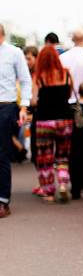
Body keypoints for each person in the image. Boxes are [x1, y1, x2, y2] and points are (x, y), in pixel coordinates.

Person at [31, 46, 73, 203]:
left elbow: (34, 100)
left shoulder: (38, 76)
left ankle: (48, 191)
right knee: (62, 156)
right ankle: (63, 184)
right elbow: (69, 94)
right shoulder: (66, 73)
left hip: (44, 121)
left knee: (45, 157)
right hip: (65, 120)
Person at [0, 23, 32, 217]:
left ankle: (3, 200)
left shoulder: (14, 53)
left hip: (6, 106)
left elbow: (25, 80)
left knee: (1, 152)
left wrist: (24, 106)